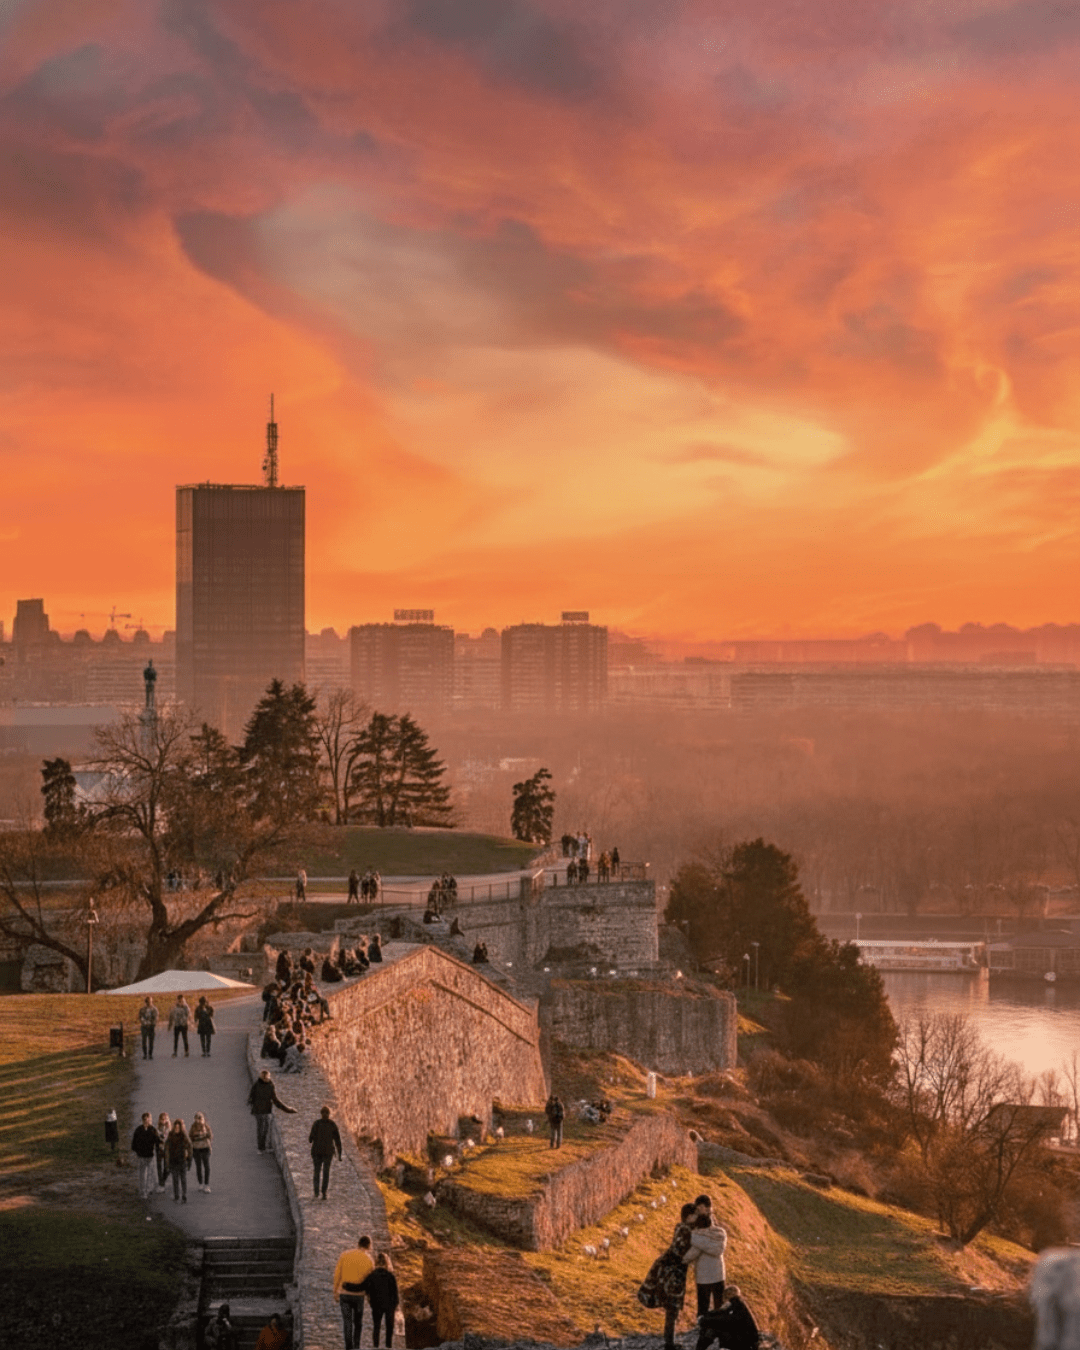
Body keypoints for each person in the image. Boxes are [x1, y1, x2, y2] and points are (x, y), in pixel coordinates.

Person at [637, 1201, 698, 1350]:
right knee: (672, 1307)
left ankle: (669, 1341)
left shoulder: (682, 1228)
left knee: (672, 1308)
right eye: (695, 1215)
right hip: (673, 1272)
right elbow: (680, 1252)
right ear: (689, 1216)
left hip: (671, 1270)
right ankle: (669, 1343)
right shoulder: (685, 1231)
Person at [686, 1193, 727, 1315]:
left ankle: (705, 1330)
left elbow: (697, 1247)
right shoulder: (719, 1231)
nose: (698, 1211)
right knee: (719, 1306)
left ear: (707, 1208)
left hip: (705, 1273)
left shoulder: (698, 1230)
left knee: (705, 1307)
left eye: (700, 1208)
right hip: (717, 1272)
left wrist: (685, 1258)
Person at [333, 1234, 374, 1350]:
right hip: (359, 1296)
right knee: (358, 1323)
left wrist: (335, 1291)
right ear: (369, 1246)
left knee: (347, 1322)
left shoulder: (345, 1255)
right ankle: (356, 1346)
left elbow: (337, 1275)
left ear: (358, 1244)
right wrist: (370, 1297)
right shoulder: (370, 1260)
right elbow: (371, 1282)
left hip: (344, 1294)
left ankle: (348, 1347)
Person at [695, 1286, 760, 1350]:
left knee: (715, 1328)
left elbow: (725, 1320)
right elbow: (720, 1315)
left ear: (727, 1297)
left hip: (745, 1343)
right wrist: (706, 1318)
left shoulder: (736, 1305)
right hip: (746, 1341)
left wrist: (703, 1320)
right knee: (714, 1326)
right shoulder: (737, 1305)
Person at [248, 1068, 297, 1151]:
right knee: (263, 1128)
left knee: (262, 1128)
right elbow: (275, 1101)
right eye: (265, 1078)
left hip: (259, 1110)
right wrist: (288, 1110)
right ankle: (261, 1148)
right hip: (263, 1110)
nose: (265, 1079)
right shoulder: (269, 1086)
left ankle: (261, 1148)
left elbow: (251, 1097)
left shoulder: (257, 1084)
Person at [360, 1252, 400, 1348]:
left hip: (376, 1305)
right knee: (389, 1327)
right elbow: (395, 1292)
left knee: (376, 1326)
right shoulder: (390, 1276)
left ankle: (376, 1346)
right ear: (387, 1263)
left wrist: (347, 1286)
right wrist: (396, 1305)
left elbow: (364, 1288)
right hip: (389, 1305)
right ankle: (388, 1345)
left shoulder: (372, 1275)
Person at [309, 1104, 343, 1200]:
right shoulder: (332, 1125)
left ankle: (316, 1192)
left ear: (321, 1114)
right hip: (328, 1153)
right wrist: (339, 1154)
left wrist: (315, 1138)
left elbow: (310, 1139)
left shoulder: (317, 1124)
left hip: (316, 1152)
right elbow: (337, 1141)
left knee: (317, 1172)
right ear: (329, 1114)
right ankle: (324, 1192)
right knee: (326, 1173)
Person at [131, 1111, 158, 1198]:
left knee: (150, 1173)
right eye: (145, 1120)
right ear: (143, 1120)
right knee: (143, 1174)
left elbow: (157, 1141)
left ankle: (149, 1189)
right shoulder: (138, 1130)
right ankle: (143, 1191)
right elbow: (134, 1143)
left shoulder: (153, 1130)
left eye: (148, 1119)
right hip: (142, 1155)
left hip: (150, 1155)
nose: (147, 1121)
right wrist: (138, 1152)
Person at [166, 1117, 193, 1203]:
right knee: (175, 1180)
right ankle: (176, 1196)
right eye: (176, 1127)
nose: (177, 1129)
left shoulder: (184, 1136)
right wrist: (167, 1162)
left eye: (178, 1127)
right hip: (173, 1161)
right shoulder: (170, 1136)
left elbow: (190, 1147)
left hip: (182, 1161)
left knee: (183, 1180)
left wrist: (189, 1159)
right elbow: (166, 1149)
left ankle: (184, 1196)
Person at [191, 1111, 213, 1193]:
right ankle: (200, 1183)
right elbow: (190, 1137)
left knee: (207, 1166)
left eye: (201, 1119)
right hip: (196, 1149)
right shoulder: (193, 1127)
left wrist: (206, 1142)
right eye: (197, 1119)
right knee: (198, 1167)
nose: (199, 1121)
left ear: (203, 1119)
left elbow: (210, 1136)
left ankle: (206, 1184)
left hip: (205, 1148)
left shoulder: (206, 1127)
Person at [155, 1112, 172, 1191]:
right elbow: (155, 1138)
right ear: (160, 1120)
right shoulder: (157, 1128)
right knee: (159, 1167)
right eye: (162, 1119)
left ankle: (162, 1181)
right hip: (159, 1149)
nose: (164, 1121)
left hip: (167, 1150)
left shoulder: (170, 1129)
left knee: (167, 1168)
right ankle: (161, 1184)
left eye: (165, 1119)